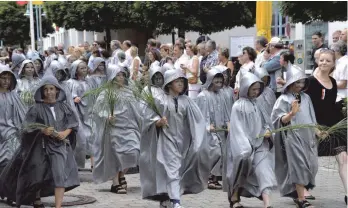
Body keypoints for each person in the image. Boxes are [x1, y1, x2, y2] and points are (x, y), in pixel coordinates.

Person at [0, 75, 80, 208]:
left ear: (57, 90)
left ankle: (58, 205)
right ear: (42, 92)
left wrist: (65, 133)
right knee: (38, 172)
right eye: (46, 89)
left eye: (51, 89)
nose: (49, 92)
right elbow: (27, 126)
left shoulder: (64, 108)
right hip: (39, 147)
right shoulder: (36, 109)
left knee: (59, 174)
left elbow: (73, 123)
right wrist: (42, 131)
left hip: (59, 147)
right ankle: (35, 197)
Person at [140, 69, 211, 208]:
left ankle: (166, 198)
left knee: (176, 170)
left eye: (182, 81)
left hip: (183, 141)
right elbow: (147, 115)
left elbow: (197, 120)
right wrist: (157, 121)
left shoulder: (187, 101)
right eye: (177, 81)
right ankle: (176, 201)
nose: (180, 84)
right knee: (173, 168)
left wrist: (197, 139)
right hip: (167, 139)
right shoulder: (160, 100)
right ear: (169, 83)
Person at [271, 65, 323, 208]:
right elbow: (278, 120)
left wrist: (318, 131)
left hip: (308, 138)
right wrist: (291, 114)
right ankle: (301, 199)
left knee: (312, 165)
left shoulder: (306, 98)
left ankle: (297, 192)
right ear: (290, 83)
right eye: (297, 82)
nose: (300, 85)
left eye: (302, 82)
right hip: (292, 137)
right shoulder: (283, 99)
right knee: (299, 165)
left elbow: (311, 118)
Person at [226, 72, 276, 208]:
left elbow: (266, 121)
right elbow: (238, 130)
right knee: (241, 171)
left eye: (258, 89)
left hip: (260, 145)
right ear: (245, 88)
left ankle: (267, 203)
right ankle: (235, 196)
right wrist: (245, 147)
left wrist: (267, 131)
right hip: (244, 148)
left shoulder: (259, 103)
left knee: (264, 170)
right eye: (253, 89)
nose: (256, 92)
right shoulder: (238, 106)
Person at [305, 49, 347, 204]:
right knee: (309, 160)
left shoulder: (334, 82)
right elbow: (305, 108)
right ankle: (301, 189)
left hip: (331, 128)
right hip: (311, 126)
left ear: (333, 64)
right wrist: (315, 128)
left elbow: (330, 107)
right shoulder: (310, 82)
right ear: (317, 61)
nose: (324, 63)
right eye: (321, 60)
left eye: (328, 61)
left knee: (343, 157)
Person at [92, 64, 142, 194]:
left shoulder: (129, 92)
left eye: (122, 75)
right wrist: (107, 116)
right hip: (113, 128)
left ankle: (121, 174)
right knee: (114, 155)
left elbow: (137, 110)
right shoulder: (105, 93)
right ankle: (115, 183)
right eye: (118, 75)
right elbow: (98, 110)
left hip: (129, 127)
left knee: (134, 151)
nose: (120, 78)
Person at [195, 68, 229, 190]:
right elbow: (199, 116)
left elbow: (225, 111)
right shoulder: (203, 96)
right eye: (216, 81)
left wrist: (227, 123)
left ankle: (214, 178)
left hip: (220, 130)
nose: (219, 84)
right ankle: (209, 177)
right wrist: (207, 126)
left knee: (222, 153)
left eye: (221, 82)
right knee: (215, 152)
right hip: (209, 132)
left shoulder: (221, 95)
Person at [0, 65, 27, 186]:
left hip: (11, 133)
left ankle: (9, 188)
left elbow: (22, 115)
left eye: (8, 78)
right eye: (3, 78)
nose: (6, 81)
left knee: (12, 159)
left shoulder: (14, 95)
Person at [66, 60, 93, 169]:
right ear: (75, 70)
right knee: (79, 138)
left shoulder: (88, 82)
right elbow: (67, 97)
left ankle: (93, 164)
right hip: (77, 113)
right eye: (81, 68)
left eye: (85, 67)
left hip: (88, 113)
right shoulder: (70, 83)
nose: (84, 70)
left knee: (91, 137)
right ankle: (75, 165)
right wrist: (73, 98)